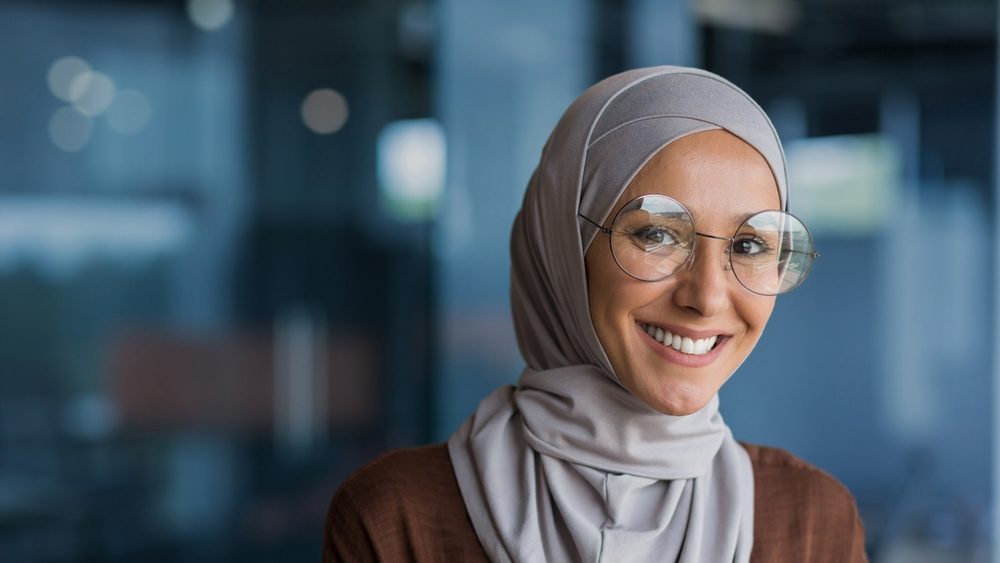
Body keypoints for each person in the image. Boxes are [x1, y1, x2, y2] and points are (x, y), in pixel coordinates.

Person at [323, 66, 867, 562]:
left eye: (749, 246)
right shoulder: (396, 522)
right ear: (563, 248)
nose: (706, 297)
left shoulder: (812, 523)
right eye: (656, 234)